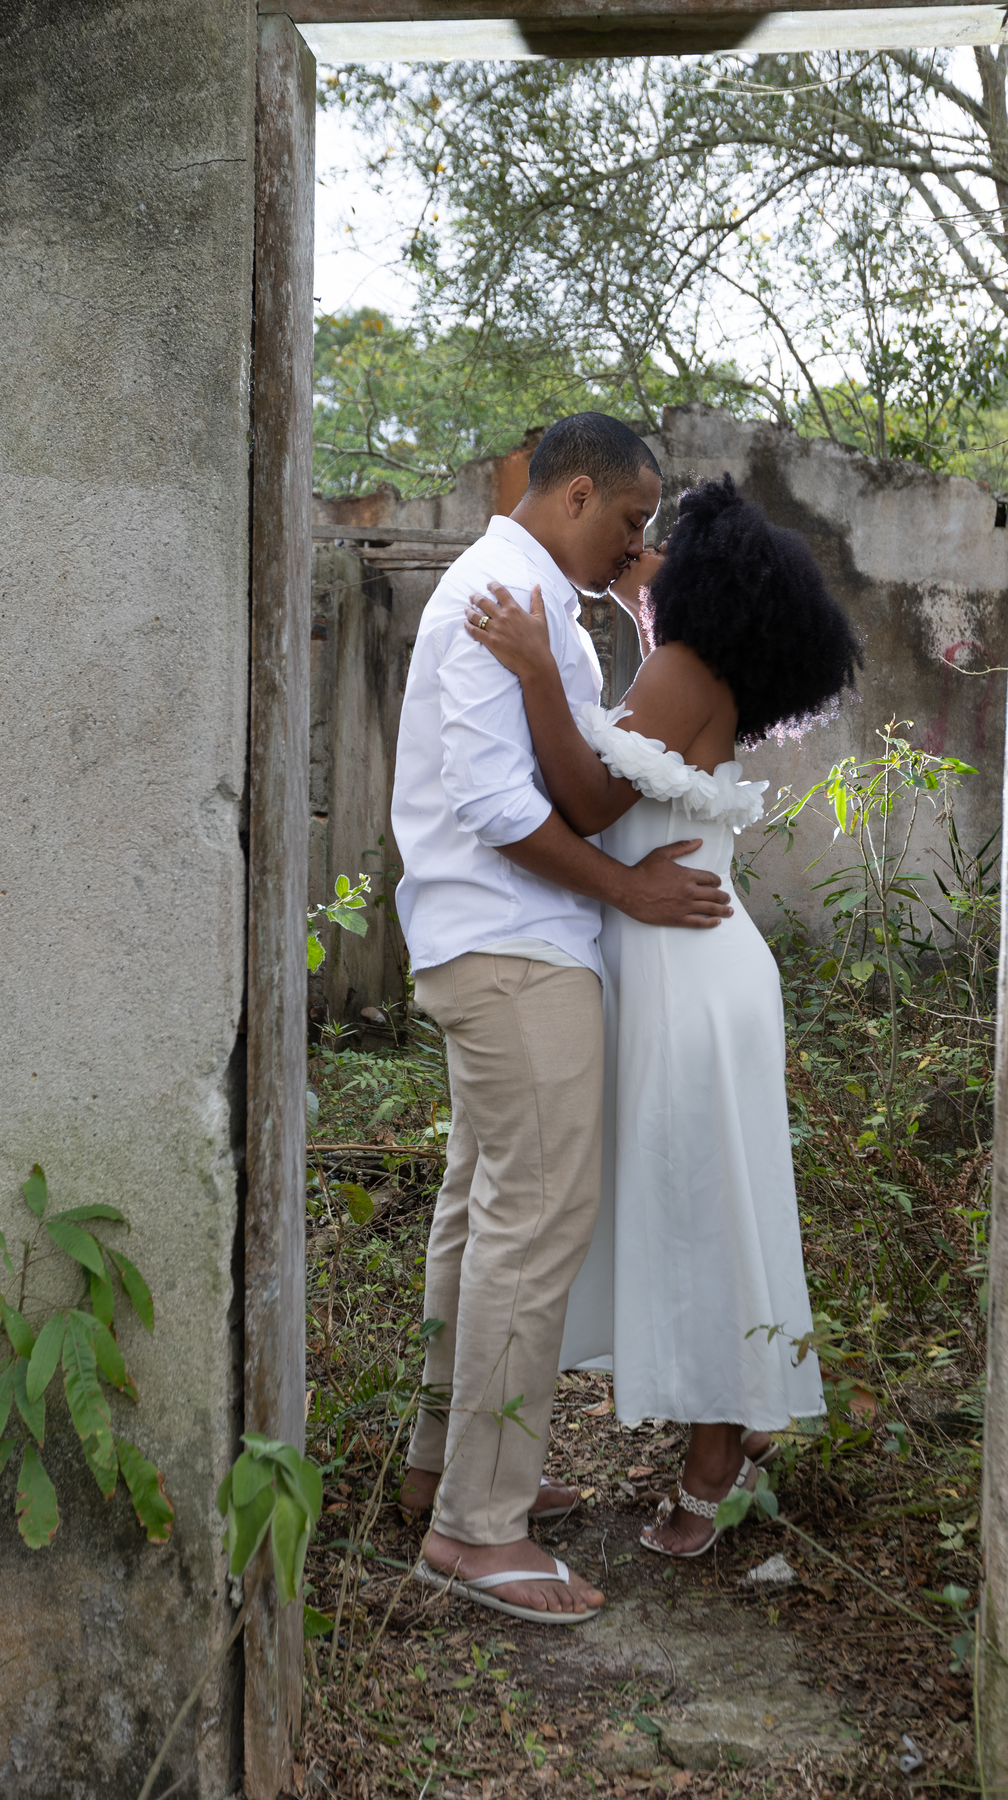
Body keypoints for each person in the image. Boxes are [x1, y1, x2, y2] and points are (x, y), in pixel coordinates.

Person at [465, 472, 861, 1555]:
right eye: (643, 537)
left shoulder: (684, 670)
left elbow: (590, 803)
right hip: (687, 967)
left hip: (688, 976)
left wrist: (540, 672)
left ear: (713, 586)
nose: (647, 553)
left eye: (665, 545)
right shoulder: (676, 666)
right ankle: (730, 1423)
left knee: (699, 1215)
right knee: (692, 1204)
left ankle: (716, 1456)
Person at [393, 414, 737, 1623]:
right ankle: (477, 1532)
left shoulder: (528, 592)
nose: (636, 547)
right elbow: (500, 806)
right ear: (578, 493)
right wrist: (631, 889)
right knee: (533, 1229)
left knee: (482, 1212)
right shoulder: (507, 595)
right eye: (632, 521)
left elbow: (556, 778)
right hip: (513, 950)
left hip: (496, 947)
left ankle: (451, 1470)